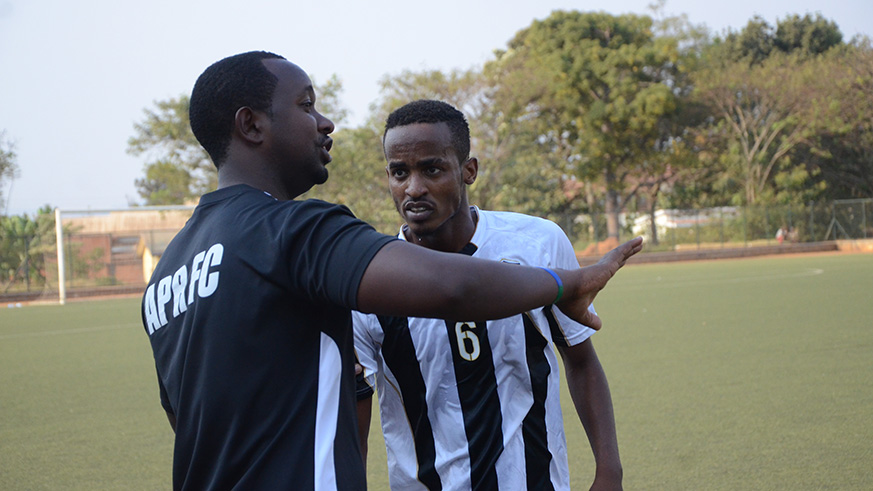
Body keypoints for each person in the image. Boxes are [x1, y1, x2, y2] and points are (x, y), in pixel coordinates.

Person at [141, 51, 642, 490]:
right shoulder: (294, 233)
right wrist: (572, 282)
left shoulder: (166, 278)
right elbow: (454, 286)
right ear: (251, 125)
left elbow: (183, 420)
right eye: (306, 105)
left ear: (467, 170)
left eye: (431, 169)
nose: (325, 122)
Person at [354, 100, 623, 490]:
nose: (414, 188)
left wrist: (609, 472)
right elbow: (354, 408)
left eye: (432, 169)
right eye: (400, 172)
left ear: (469, 170)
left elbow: (581, 362)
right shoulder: (370, 283)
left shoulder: (537, 244)